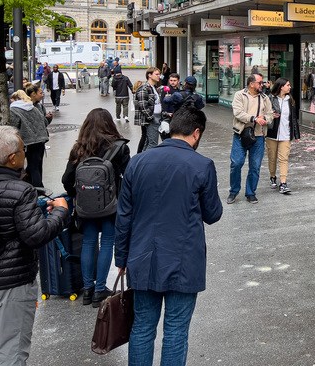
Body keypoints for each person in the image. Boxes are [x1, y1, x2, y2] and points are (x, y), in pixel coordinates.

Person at [115, 107, 223, 365]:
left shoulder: (137, 162)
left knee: (142, 327)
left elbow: (124, 216)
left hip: (142, 258)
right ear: (196, 133)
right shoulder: (202, 165)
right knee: (176, 331)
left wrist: (121, 258)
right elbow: (212, 214)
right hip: (183, 261)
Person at [0, 126, 69, 366]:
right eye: (23, 150)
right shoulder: (21, 191)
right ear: (13, 158)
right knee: (11, 351)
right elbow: (36, 235)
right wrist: (59, 213)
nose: (26, 155)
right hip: (12, 283)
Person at [61, 109, 130, 307]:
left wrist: (78, 195)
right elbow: (129, 177)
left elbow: (67, 179)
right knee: (107, 243)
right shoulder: (119, 147)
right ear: (110, 124)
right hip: (110, 205)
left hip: (85, 206)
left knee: (89, 243)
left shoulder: (79, 148)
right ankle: (101, 290)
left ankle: (88, 289)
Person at [229, 74, 273, 204]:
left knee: (255, 166)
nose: (262, 85)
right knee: (236, 163)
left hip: (259, 136)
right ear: (251, 84)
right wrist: (254, 118)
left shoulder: (265, 98)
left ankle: (250, 193)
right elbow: (237, 113)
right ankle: (234, 191)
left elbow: (271, 114)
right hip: (241, 135)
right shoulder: (239, 95)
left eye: (262, 83)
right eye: (260, 83)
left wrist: (265, 119)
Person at [9, 83, 52, 187]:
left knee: (29, 168)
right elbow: (44, 122)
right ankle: (36, 187)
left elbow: (14, 127)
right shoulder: (34, 108)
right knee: (36, 166)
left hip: (27, 142)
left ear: (15, 99)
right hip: (40, 140)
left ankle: (38, 189)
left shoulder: (14, 110)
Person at [266, 78, 300, 194]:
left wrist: (296, 134)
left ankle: (283, 183)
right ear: (281, 87)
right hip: (272, 134)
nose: (289, 87)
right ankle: (272, 176)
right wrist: (270, 115)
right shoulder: (271, 98)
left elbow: (293, 118)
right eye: (287, 85)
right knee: (272, 158)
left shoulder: (290, 100)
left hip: (286, 134)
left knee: (284, 158)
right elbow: (263, 109)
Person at [134, 67, 162, 153]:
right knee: (153, 144)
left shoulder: (153, 87)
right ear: (149, 75)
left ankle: (141, 160)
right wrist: (151, 117)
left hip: (156, 117)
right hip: (152, 118)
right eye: (156, 74)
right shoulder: (144, 88)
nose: (159, 76)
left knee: (148, 142)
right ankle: (144, 161)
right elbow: (142, 105)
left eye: (159, 74)